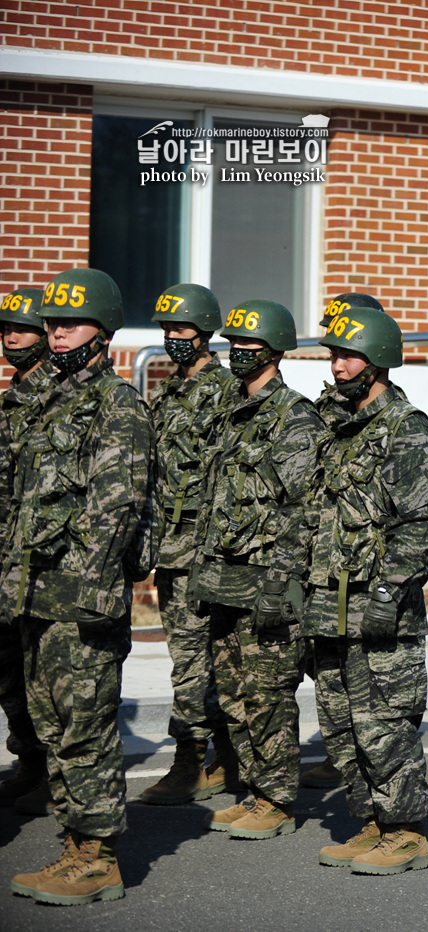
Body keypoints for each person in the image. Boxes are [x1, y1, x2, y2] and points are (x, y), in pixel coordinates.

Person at [7, 267, 155, 906]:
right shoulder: (48, 402)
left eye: (73, 321)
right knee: (50, 723)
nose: (58, 331)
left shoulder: (116, 404)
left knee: (85, 728)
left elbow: (115, 508)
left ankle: (98, 857)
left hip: (77, 601)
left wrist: (84, 596)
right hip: (34, 594)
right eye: (53, 321)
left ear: (104, 329)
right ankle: (73, 848)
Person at [306, 307, 428, 874]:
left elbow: (422, 521)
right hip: (329, 600)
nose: (338, 367)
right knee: (341, 723)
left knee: (385, 722)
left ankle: (407, 831)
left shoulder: (408, 429)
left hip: (379, 605)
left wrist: (389, 592)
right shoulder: (341, 430)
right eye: (334, 357)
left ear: (380, 359)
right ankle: (371, 821)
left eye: (349, 356)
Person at [190, 299, 323, 838]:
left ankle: (277, 798)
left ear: (275, 352)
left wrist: (283, 582)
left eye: (251, 346)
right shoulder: (230, 413)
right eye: (235, 344)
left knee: (267, 691)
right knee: (233, 689)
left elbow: (303, 509)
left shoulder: (294, 417)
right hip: (225, 576)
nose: (240, 353)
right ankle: (253, 788)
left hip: (268, 577)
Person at [139, 283, 242, 806]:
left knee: (199, 659)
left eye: (180, 330)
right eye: (166, 331)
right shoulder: (166, 391)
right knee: (189, 657)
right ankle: (219, 757)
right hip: (169, 548)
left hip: (205, 549)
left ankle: (194, 761)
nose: (172, 338)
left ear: (205, 333)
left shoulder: (226, 392)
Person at [301, 291, 389, 793]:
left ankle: (376, 779)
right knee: (328, 675)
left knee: (373, 688)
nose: (335, 361)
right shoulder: (326, 409)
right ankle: (348, 757)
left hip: (365, 575)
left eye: (345, 347)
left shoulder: (391, 420)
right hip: (326, 571)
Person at [0, 286, 55, 814]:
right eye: (5, 329)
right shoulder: (12, 396)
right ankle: (29, 763)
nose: (10, 337)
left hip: (37, 557)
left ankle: (49, 774)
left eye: (21, 329)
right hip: (6, 556)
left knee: (39, 671)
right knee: (9, 670)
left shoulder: (53, 397)